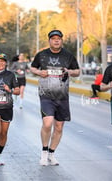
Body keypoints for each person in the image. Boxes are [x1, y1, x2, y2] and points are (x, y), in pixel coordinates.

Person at [30, 30, 80, 166]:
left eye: (59, 38)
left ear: (61, 40)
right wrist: (40, 72)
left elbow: (77, 71)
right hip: (46, 94)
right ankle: (44, 152)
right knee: (47, 123)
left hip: (62, 96)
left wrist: (69, 71)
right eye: (53, 39)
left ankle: (52, 153)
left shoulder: (68, 56)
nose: (56, 40)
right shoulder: (42, 55)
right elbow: (32, 68)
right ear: (49, 41)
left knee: (58, 127)